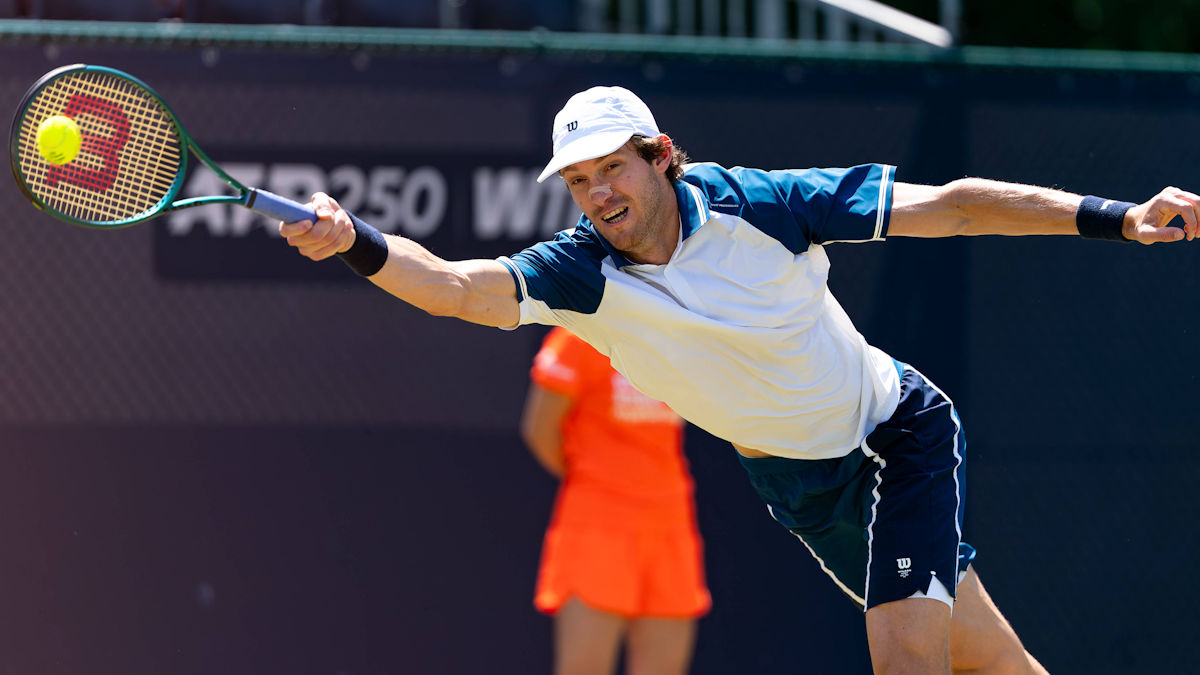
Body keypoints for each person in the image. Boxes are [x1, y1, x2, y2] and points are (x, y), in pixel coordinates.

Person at [277, 85, 1198, 674]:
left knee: (906, 656)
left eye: (613, 169)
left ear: (661, 154)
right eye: (579, 181)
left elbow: (953, 205)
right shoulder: (578, 274)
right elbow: (451, 288)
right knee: (991, 663)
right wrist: (352, 241)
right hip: (804, 488)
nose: (599, 194)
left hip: (895, 434)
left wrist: (1119, 218)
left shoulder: (766, 204)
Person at [520, 325, 709, 675]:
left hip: (671, 522)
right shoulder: (578, 337)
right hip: (597, 525)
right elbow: (539, 430)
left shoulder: (676, 336)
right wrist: (596, 480)